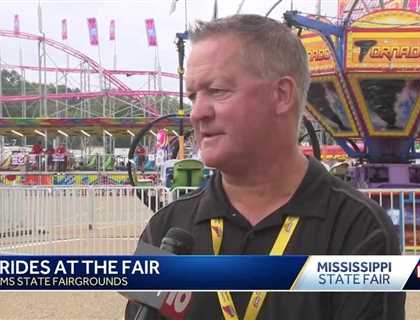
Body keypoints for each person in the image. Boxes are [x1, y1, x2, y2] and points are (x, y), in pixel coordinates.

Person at [125, 15, 405, 319]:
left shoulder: (359, 229)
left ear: (281, 94)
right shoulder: (167, 230)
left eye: (218, 91)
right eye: (194, 96)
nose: (198, 113)